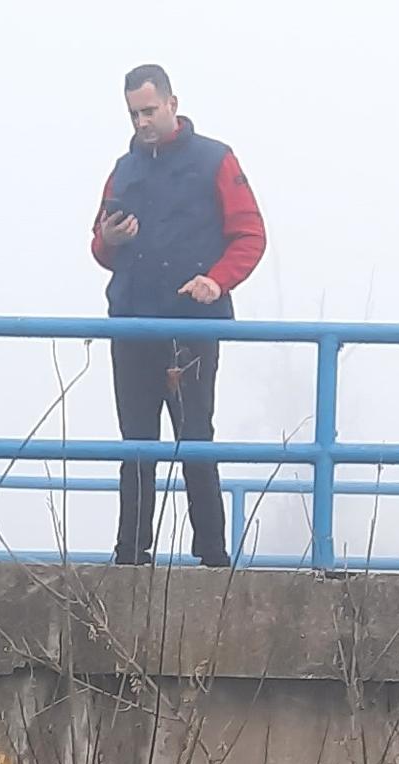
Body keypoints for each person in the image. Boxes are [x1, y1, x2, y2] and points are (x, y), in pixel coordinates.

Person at [89, 64, 266, 568]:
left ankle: (212, 556)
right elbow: (100, 245)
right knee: (136, 444)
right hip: (131, 323)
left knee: (195, 440)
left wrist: (217, 280)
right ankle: (130, 558)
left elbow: (250, 234)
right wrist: (111, 241)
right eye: (132, 113)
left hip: (191, 326)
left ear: (172, 103)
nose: (141, 122)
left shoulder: (216, 160)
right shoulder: (122, 168)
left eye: (148, 110)